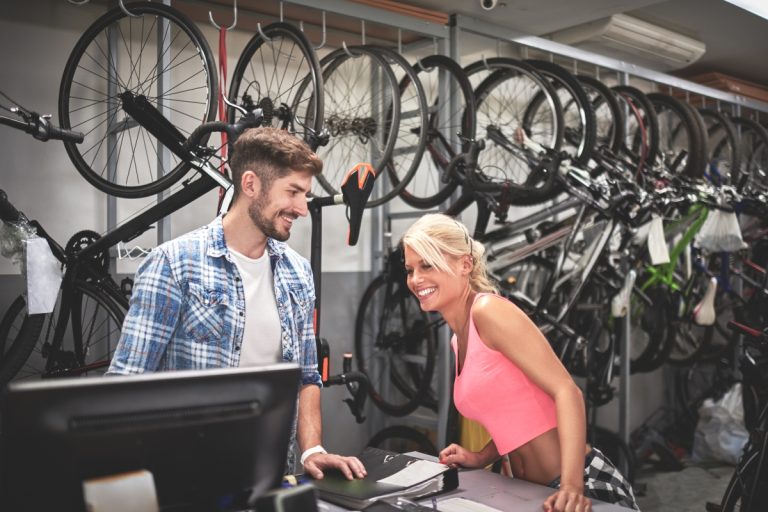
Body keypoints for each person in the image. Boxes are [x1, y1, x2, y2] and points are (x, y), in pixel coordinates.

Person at [107, 127, 366, 481]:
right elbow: (126, 384)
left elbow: (306, 377)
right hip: (185, 476)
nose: (303, 209)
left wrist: (313, 449)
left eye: (305, 194)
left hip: (268, 470)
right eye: (293, 192)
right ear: (250, 184)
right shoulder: (174, 264)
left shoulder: (297, 272)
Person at [401, 214, 638, 511]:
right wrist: (480, 457)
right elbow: (513, 415)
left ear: (464, 265)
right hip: (528, 491)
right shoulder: (457, 338)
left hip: (579, 487)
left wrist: (573, 487)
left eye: (427, 265)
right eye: (410, 270)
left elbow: (568, 392)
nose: (415, 279)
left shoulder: (488, 311)